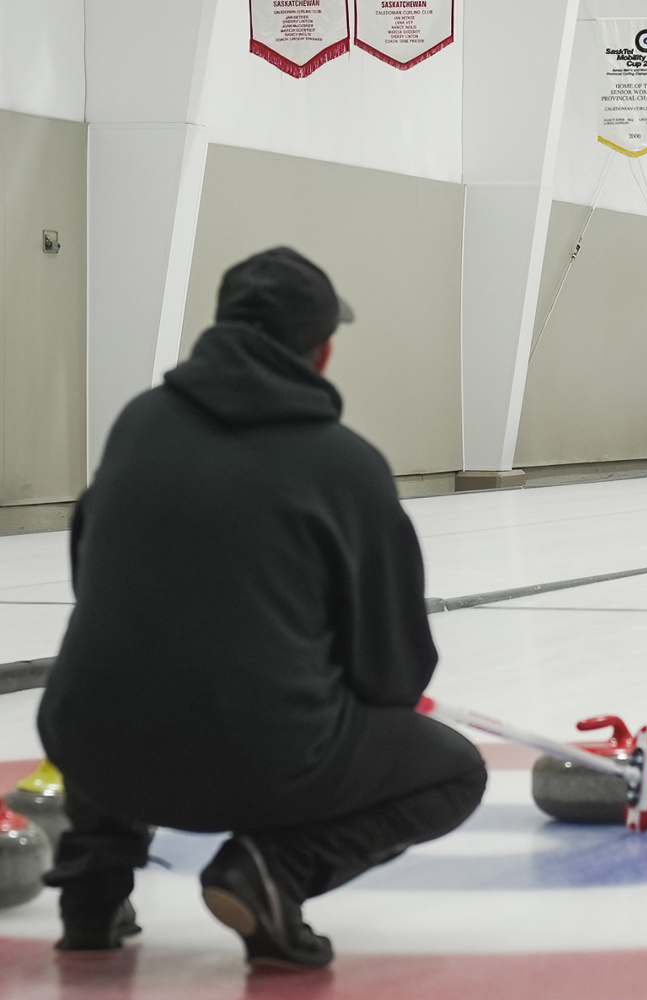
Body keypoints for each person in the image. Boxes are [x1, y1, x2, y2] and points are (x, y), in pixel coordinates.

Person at [37, 248, 487, 969]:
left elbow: (93, 584)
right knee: (453, 771)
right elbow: (391, 671)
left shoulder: (139, 424)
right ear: (324, 351)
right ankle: (274, 871)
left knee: (121, 673)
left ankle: (91, 896)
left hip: (89, 745)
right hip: (258, 765)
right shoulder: (347, 465)